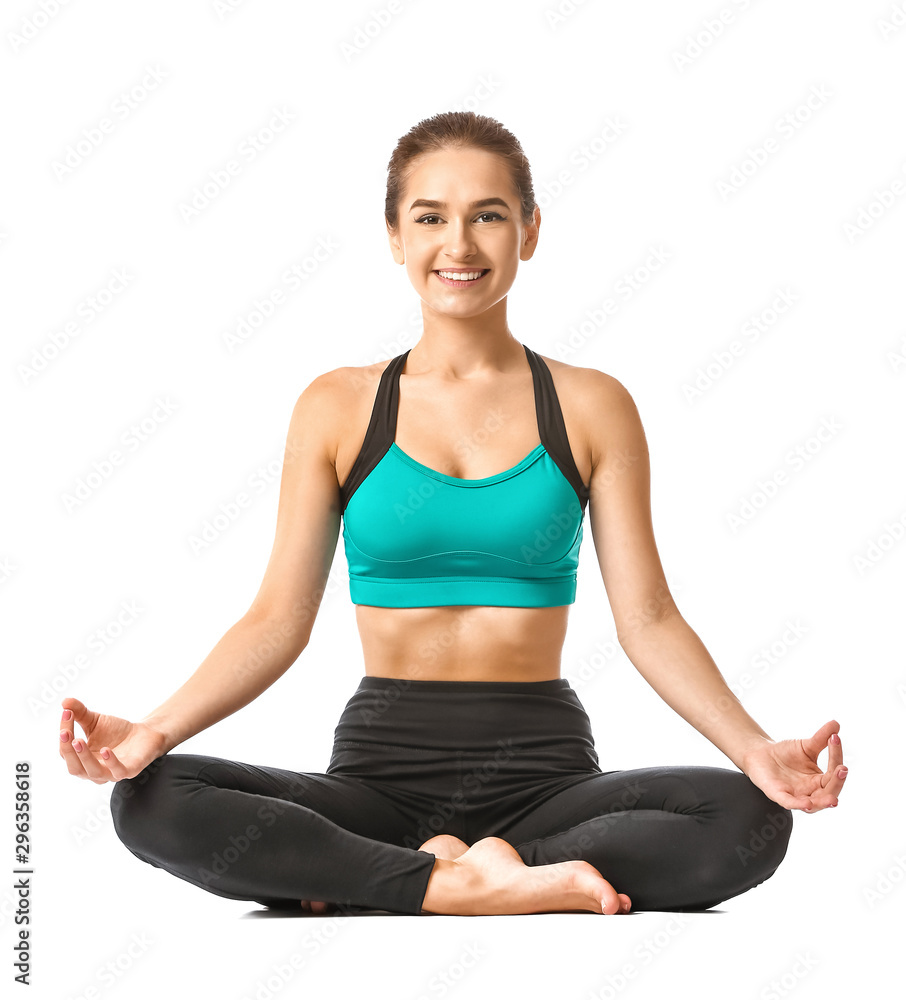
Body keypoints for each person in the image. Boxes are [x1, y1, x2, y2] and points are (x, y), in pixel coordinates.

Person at [58, 111, 847, 917]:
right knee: (153, 799)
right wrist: (155, 729)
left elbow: (648, 619)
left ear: (530, 231)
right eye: (430, 217)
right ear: (395, 237)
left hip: (548, 777)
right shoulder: (338, 406)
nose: (459, 244)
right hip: (377, 779)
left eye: (488, 215)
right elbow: (276, 620)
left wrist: (753, 749)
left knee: (748, 818)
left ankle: (413, 875)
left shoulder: (591, 405)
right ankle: (488, 885)